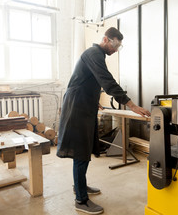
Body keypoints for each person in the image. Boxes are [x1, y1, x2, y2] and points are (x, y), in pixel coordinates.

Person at [57, 27, 151, 214]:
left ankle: (79, 186)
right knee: (80, 151)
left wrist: (93, 101)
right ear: (106, 39)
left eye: (119, 47)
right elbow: (107, 82)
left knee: (86, 149)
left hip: (84, 104)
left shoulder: (96, 55)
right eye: (115, 45)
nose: (116, 50)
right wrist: (132, 105)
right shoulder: (94, 53)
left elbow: (87, 81)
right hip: (77, 107)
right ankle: (81, 200)